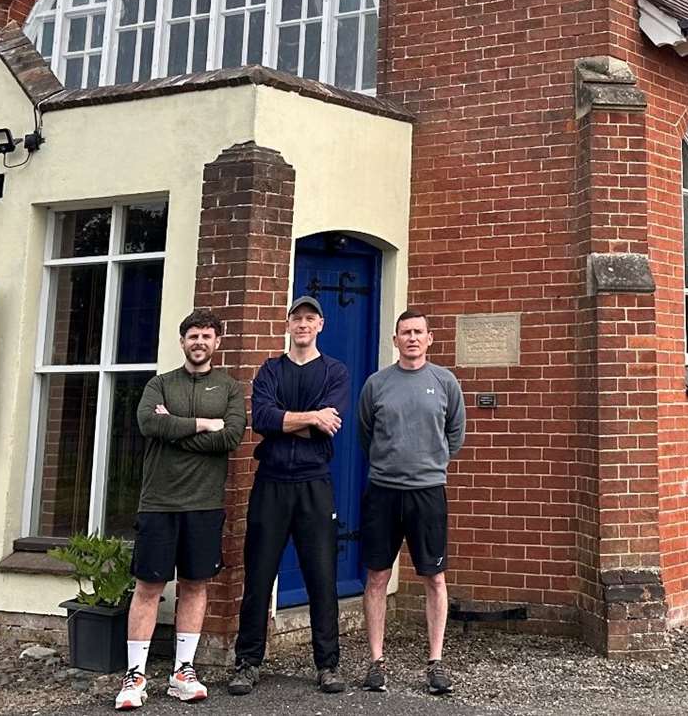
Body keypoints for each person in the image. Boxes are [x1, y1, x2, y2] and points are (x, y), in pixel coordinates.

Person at [114, 308, 246, 710]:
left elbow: (233, 437)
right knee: (148, 587)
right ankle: (134, 676)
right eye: (193, 336)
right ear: (183, 340)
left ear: (217, 343)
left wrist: (179, 428)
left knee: (195, 584)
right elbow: (149, 425)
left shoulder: (229, 388)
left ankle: (182, 671)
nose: (200, 342)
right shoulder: (160, 384)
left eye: (207, 336)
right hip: (159, 502)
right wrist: (206, 425)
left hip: (204, 504)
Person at [228, 295, 350, 697]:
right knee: (259, 575)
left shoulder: (335, 371)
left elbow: (329, 425)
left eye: (310, 318)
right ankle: (247, 661)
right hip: (272, 484)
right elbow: (260, 419)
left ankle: (327, 665)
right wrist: (310, 416)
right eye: (296, 318)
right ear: (288, 324)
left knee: (321, 576)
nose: (303, 324)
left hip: (314, 484)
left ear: (321, 325)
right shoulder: (270, 370)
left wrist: (289, 421)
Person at [357, 308, 466, 697]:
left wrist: (429, 464)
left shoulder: (445, 382)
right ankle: (376, 661)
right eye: (405, 332)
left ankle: (435, 662)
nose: (412, 338)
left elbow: (455, 433)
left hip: (428, 491)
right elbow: (366, 433)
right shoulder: (376, 384)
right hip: (383, 491)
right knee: (376, 575)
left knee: (434, 577)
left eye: (419, 332)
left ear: (430, 338)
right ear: (395, 340)